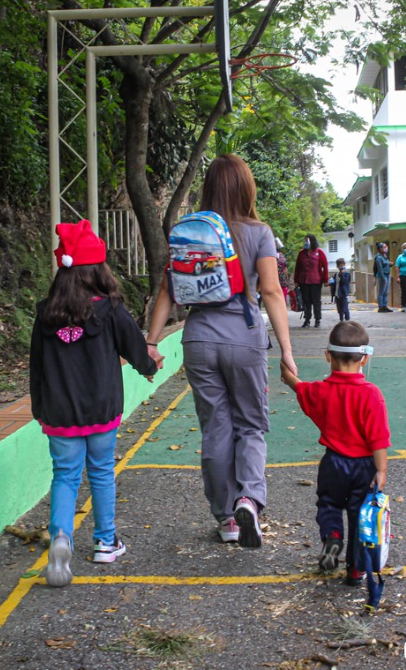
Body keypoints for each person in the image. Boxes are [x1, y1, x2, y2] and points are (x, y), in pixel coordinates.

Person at [146, 154, 297, 549]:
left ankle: (226, 519)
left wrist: (151, 342)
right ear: (247, 187)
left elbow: (167, 291)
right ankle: (248, 498)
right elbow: (270, 291)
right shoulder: (259, 232)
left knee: (216, 426)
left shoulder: (189, 231)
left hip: (198, 337)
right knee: (250, 425)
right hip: (244, 336)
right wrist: (286, 350)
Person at [30, 219, 159, 587]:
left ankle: (60, 539)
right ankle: (106, 541)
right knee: (101, 471)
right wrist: (148, 366)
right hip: (102, 410)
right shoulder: (110, 309)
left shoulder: (45, 314)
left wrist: (40, 408)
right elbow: (134, 347)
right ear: (98, 268)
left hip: (59, 412)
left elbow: (36, 365)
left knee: (65, 476)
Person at [280, 321, 390, 588]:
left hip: (333, 463)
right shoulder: (371, 394)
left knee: (328, 505)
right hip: (363, 466)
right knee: (358, 516)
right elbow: (378, 439)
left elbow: (298, 386)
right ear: (365, 358)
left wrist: (287, 368)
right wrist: (381, 470)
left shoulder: (320, 391)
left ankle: (332, 536)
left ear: (327, 355)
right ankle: (355, 571)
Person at [294, 233, 329, 328]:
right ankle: (307, 319)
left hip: (316, 281)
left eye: (307, 241)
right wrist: (296, 280)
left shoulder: (319, 253)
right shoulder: (301, 253)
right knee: (306, 301)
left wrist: (325, 279)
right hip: (303, 281)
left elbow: (325, 267)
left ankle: (317, 319)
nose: (306, 242)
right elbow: (297, 268)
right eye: (305, 241)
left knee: (316, 301)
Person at [373, 243, 392, 313]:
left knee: (386, 292)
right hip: (382, 276)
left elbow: (385, 264)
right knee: (381, 292)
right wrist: (383, 278)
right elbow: (380, 269)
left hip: (387, 275)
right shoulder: (378, 258)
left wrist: (389, 264)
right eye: (384, 247)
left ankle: (385, 306)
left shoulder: (385, 256)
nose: (386, 248)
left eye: (386, 246)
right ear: (380, 249)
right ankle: (381, 307)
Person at [333, 257, 351, 322]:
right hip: (337, 293)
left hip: (343, 293)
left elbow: (344, 282)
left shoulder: (346, 273)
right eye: (339, 265)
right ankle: (341, 319)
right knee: (339, 308)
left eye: (342, 265)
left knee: (345, 307)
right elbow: (335, 283)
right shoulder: (337, 274)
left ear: (344, 264)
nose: (340, 267)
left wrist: (342, 274)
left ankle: (347, 319)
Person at [275, 238, 291, 306]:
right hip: (275, 281)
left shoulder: (281, 255)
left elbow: (285, 269)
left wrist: (287, 281)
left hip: (282, 281)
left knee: (282, 299)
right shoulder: (270, 255)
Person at [395, 246, 406, 312]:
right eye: (404, 248)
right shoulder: (400, 257)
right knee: (404, 291)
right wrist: (398, 277)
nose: (405, 249)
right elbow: (397, 267)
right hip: (403, 275)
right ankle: (403, 305)